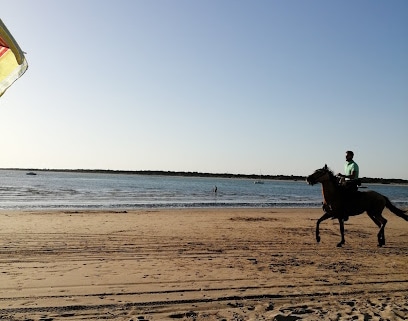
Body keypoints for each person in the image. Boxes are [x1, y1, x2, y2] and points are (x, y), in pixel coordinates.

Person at [337, 150, 360, 220]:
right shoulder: (346, 164)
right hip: (346, 183)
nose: (346, 157)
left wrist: (342, 175)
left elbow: (353, 176)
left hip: (352, 183)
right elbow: (346, 176)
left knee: (345, 196)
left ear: (351, 156)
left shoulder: (354, 165)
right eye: (345, 156)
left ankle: (346, 214)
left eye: (347, 155)